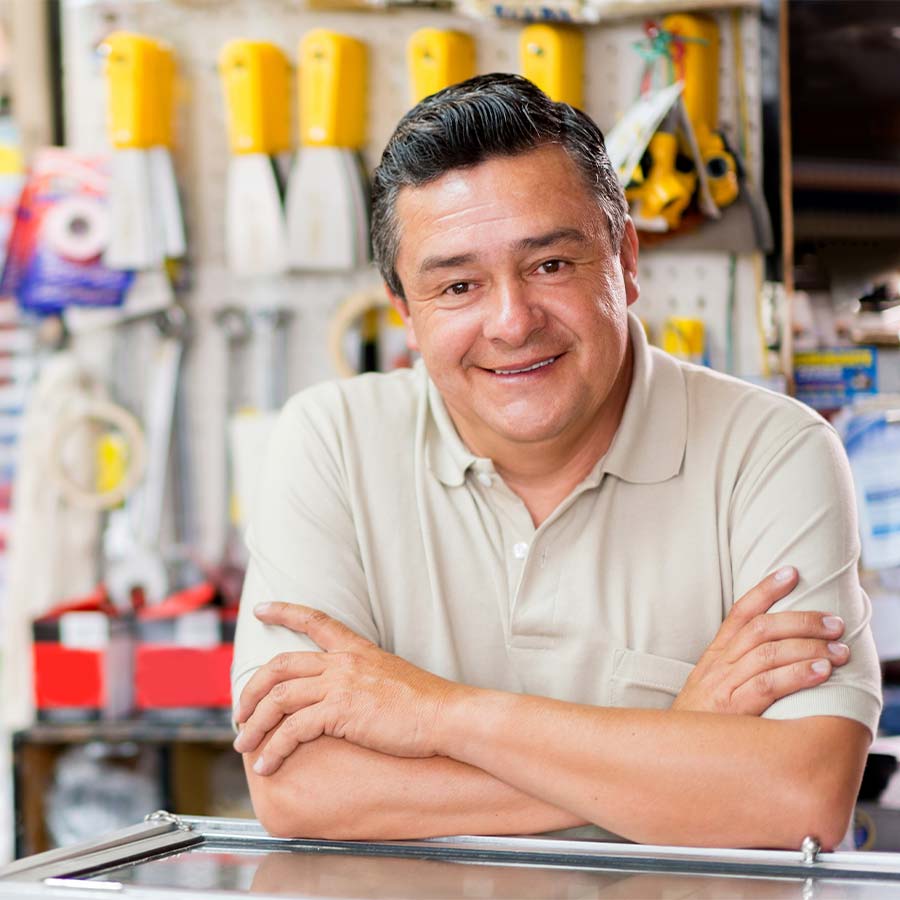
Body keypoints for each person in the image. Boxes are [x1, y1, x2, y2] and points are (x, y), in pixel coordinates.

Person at [230, 74, 881, 850]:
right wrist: (673, 744)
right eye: (459, 285)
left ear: (625, 259)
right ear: (404, 310)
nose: (511, 322)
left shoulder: (772, 454)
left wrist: (433, 712)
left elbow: (798, 797)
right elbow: (302, 790)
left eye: (550, 266)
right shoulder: (329, 442)